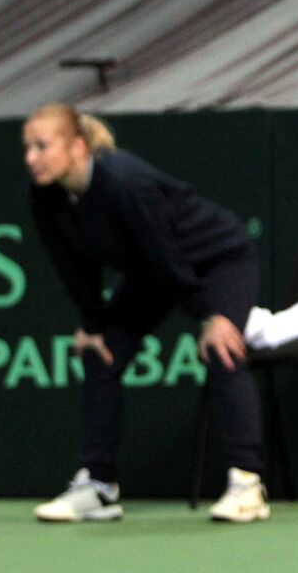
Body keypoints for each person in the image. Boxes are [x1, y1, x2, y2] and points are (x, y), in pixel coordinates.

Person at [22, 103, 270, 523]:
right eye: (27, 148)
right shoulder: (45, 195)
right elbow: (73, 267)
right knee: (102, 355)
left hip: (217, 258)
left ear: (78, 146)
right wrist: (93, 324)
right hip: (154, 271)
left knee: (221, 349)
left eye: (42, 146)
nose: (31, 158)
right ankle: (98, 487)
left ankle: (248, 484)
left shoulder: (125, 183)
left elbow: (166, 256)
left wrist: (210, 315)